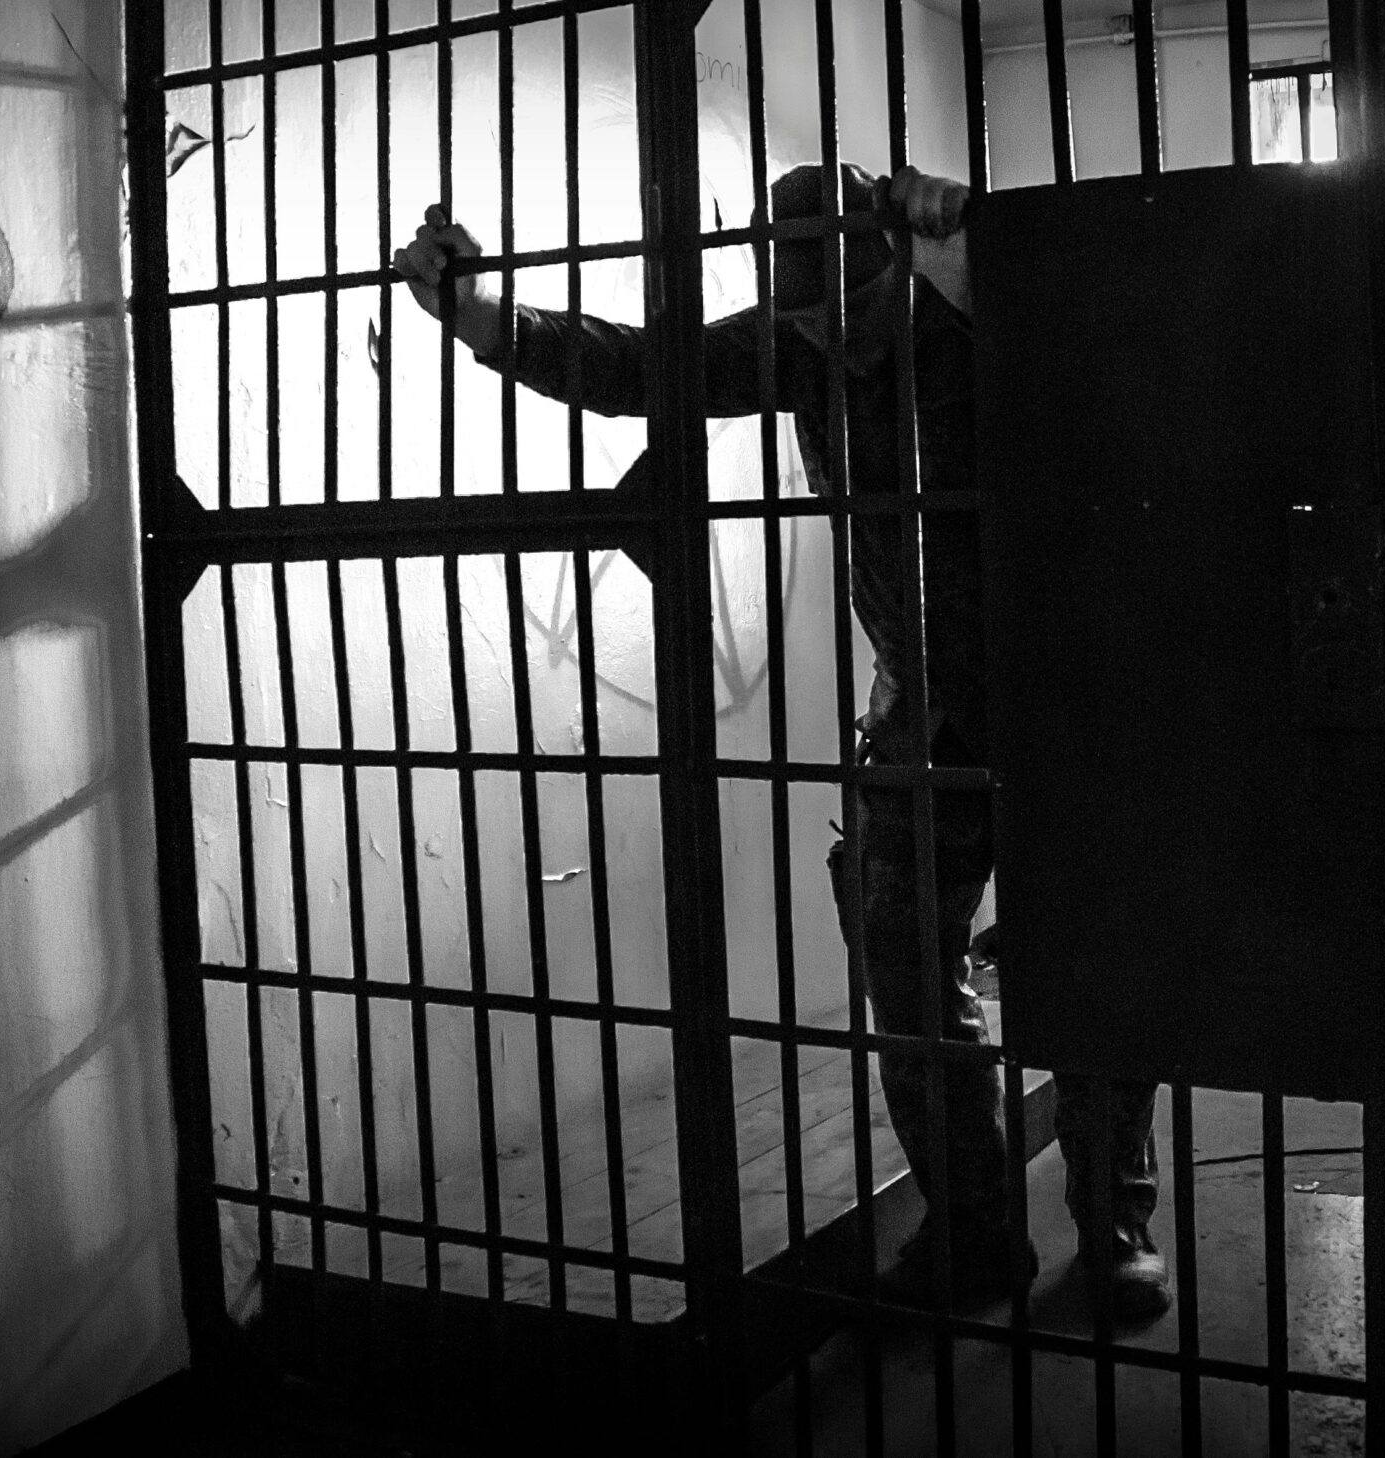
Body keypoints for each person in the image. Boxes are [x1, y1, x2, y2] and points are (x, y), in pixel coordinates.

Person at [393, 163, 1169, 1321]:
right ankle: (969, 1231)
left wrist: (974, 269)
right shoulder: (798, 341)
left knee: (1096, 978)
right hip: (924, 708)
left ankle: (1113, 1229)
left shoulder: (988, 318)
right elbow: (638, 368)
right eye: (807, 320)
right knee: (907, 977)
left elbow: (1123, 373)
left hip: (1071, 705)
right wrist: (483, 318)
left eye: (852, 315)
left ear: (898, 267)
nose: (834, 344)